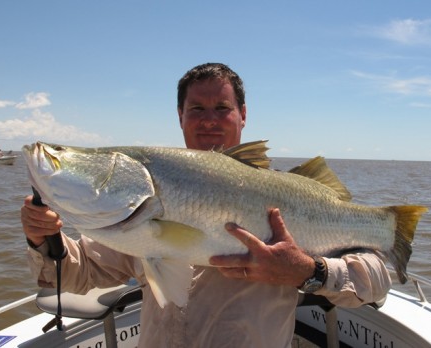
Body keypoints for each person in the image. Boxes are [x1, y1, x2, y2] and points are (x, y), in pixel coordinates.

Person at [21, 63, 391, 347]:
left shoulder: (292, 192)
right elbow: (74, 274)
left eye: (222, 108)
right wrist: (43, 239)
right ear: (179, 115)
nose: (209, 120)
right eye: (196, 108)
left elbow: (377, 280)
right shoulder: (131, 217)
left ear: (243, 114)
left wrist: (306, 271)